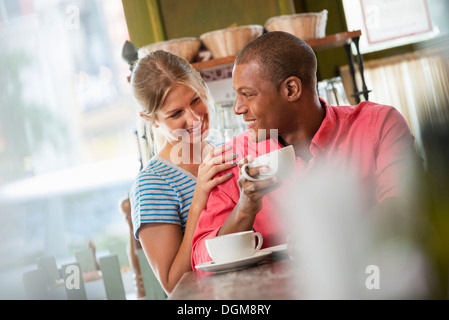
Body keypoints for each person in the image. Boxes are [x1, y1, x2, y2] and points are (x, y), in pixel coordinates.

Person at [191, 31, 422, 266]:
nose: (237, 108)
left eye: (248, 95)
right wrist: (245, 208)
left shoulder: (379, 124)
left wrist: (331, 237)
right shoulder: (232, 157)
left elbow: (405, 207)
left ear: (291, 89)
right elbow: (201, 257)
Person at [129, 50, 237, 293]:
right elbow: (173, 286)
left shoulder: (227, 151)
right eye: (176, 113)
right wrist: (199, 198)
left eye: (196, 100)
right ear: (152, 120)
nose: (194, 118)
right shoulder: (152, 185)